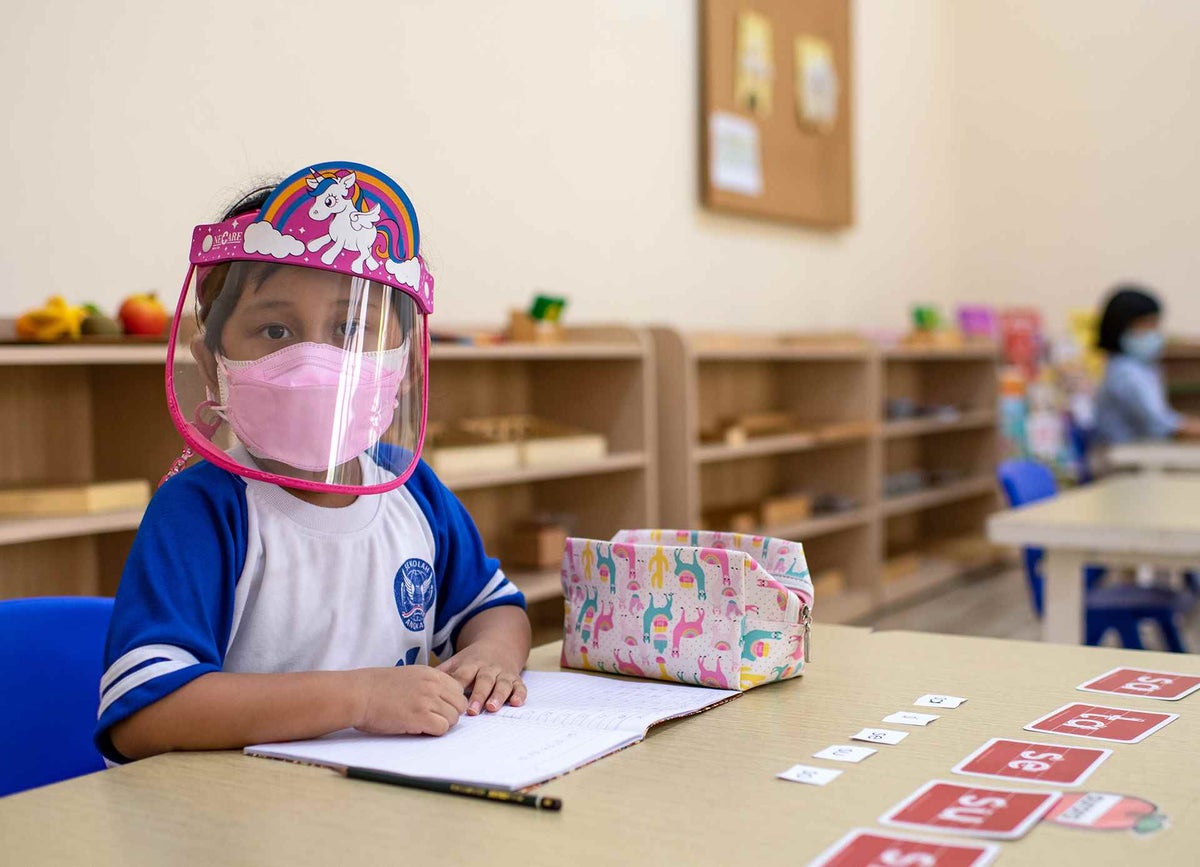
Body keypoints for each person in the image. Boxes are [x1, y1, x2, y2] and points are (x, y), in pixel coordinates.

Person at [95, 162, 531, 763]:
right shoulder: (203, 512)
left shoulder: (414, 492)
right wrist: (358, 697)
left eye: (351, 329)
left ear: (402, 364)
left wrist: (492, 657)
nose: (315, 362)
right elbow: (144, 713)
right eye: (275, 329)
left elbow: (493, 608)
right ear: (211, 357)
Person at [1093, 285, 1200, 444]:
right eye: (1147, 325)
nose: (1154, 332)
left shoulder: (1139, 367)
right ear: (1121, 327)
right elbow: (1163, 425)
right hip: (1128, 456)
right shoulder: (1126, 373)